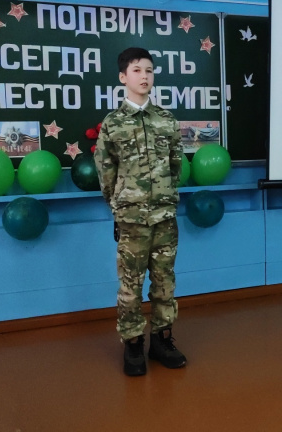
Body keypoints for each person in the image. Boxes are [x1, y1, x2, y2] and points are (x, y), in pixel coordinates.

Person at [94, 47, 186, 377]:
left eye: (149, 70)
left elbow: (176, 165)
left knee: (164, 282)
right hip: (131, 219)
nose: (144, 76)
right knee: (130, 285)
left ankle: (162, 340)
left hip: (164, 218)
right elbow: (105, 171)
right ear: (123, 77)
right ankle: (133, 343)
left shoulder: (167, 120)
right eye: (136, 70)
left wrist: (164, 198)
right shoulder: (113, 124)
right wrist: (120, 206)